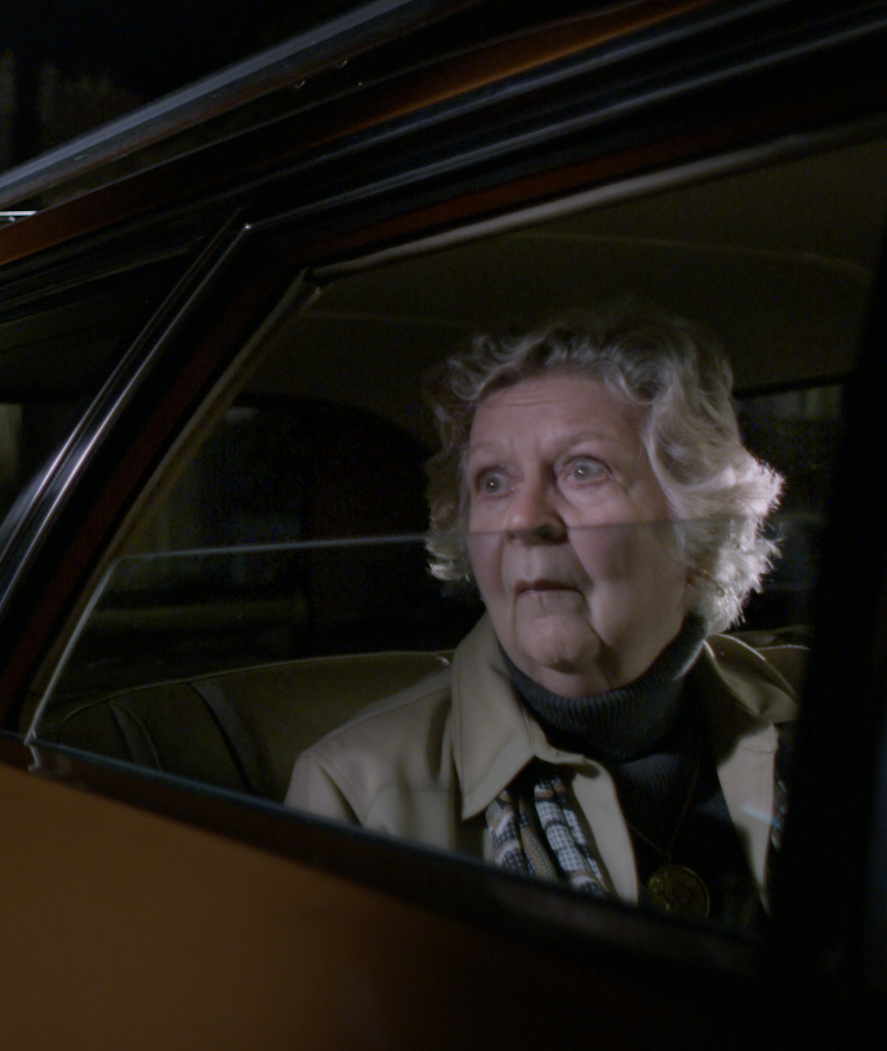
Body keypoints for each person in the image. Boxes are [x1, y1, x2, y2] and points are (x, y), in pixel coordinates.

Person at [286, 305, 797, 925]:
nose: (525, 520)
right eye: (494, 483)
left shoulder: (823, 727)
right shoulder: (356, 793)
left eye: (583, 470)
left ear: (698, 525)